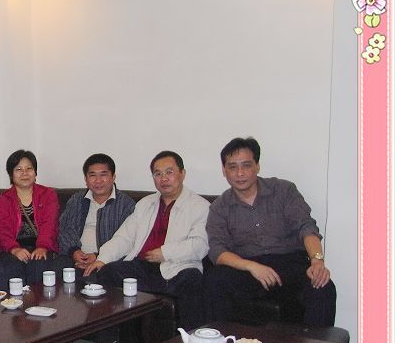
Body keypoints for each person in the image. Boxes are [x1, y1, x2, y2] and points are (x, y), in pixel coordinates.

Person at [204, 137, 336, 326]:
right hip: (248, 267)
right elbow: (217, 250)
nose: (240, 173)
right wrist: (251, 266)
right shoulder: (220, 207)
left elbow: (306, 227)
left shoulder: (283, 190)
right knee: (214, 280)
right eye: (232, 167)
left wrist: (317, 261)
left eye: (246, 165)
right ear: (224, 171)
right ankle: (224, 341)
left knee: (323, 286)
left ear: (257, 166)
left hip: (289, 263)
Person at [84, 151, 210, 330]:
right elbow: (125, 236)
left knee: (192, 279)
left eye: (169, 172)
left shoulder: (200, 206)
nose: (163, 178)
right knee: (108, 271)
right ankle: (111, 338)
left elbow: (199, 245)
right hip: (143, 267)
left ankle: (191, 340)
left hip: (178, 268)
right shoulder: (145, 204)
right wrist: (102, 258)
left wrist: (165, 253)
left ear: (182, 173)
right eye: (158, 174)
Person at [0, 149, 61, 287]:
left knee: (39, 265)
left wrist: (43, 247)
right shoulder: (4, 199)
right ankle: (15, 300)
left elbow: (50, 224)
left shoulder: (48, 195)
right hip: (11, 248)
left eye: (29, 168)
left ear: (35, 172)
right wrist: (14, 249)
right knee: (13, 267)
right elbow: (1, 231)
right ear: (11, 174)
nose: (25, 173)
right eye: (19, 169)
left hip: (41, 246)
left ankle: (38, 301)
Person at [57, 153, 136, 276]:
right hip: (73, 258)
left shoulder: (126, 205)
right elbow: (65, 229)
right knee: (53, 268)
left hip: (108, 262)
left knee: (109, 272)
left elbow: (127, 241)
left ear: (113, 177)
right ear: (86, 179)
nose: (98, 180)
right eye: (92, 175)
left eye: (103, 174)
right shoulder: (77, 199)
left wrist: (98, 256)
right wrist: (74, 252)